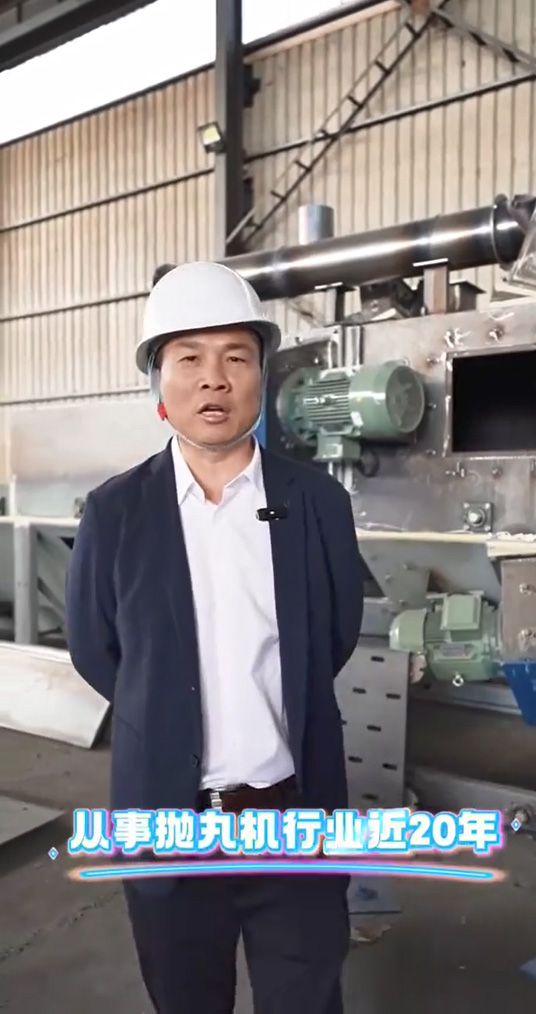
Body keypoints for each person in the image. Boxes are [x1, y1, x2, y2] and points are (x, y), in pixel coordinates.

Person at [65, 261, 364, 1014]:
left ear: (262, 377)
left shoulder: (318, 503)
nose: (213, 379)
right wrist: (165, 708)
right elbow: (97, 652)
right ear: (158, 385)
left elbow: (331, 639)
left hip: (293, 822)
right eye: (188, 358)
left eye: (236, 357)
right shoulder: (115, 512)